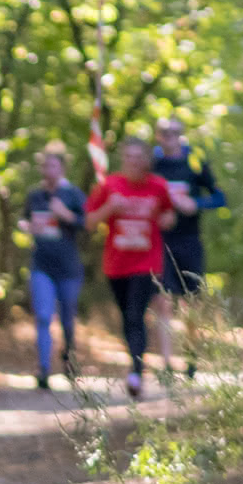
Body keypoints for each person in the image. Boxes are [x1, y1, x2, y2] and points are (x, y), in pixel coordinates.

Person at [84, 138, 176, 398]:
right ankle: (135, 363)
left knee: (136, 314)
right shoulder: (109, 185)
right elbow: (89, 221)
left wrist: (166, 218)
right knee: (127, 317)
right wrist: (109, 208)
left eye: (139, 156)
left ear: (147, 160)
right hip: (116, 264)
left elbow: (170, 215)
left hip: (147, 263)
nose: (134, 161)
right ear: (123, 159)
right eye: (129, 156)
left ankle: (136, 371)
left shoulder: (158, 186)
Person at [152, 118, 228, 379]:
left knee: (191, 303)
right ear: (157, 135)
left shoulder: (194, 162)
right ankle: (166, 364)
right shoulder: (153, 164)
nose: (169, 136)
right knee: (162, 301)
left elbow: (220, 197)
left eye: (174, 132)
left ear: (181, 134)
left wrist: (195, 204)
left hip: (190, 242)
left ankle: (191, 358)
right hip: (160, 242)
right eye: (164, 132)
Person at [15, 143, 86, 389]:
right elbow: (24, 219)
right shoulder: (35, 195)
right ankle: (43, 369)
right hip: (41, 265)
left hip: (68, 267)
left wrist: (65, 214)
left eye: (53, 165)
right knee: (44, 316)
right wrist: (25, 226)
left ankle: (69, 361)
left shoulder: (73, 194)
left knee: (67, 319)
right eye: (45, 165)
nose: (48, 169)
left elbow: (87, 223)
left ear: (62, 167)